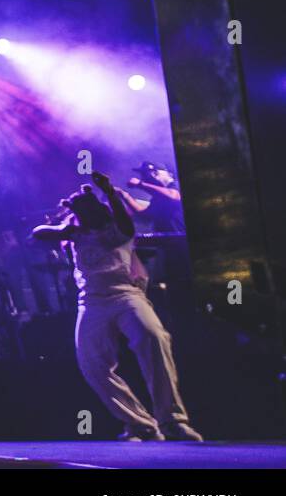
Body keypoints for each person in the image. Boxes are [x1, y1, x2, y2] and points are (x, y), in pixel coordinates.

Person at [32, 171, 201, 442]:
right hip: (91, 301)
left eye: (88, 208)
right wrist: (67, 227)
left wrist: (110, 192)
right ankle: (140, 424)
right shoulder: (75, 232)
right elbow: (38, 233)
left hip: (126, 295)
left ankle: (172, 420)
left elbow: (125, 223)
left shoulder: (116, 230)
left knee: (153, 338)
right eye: (80, 210)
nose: (84, 213)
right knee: (91, 364)